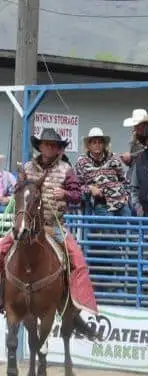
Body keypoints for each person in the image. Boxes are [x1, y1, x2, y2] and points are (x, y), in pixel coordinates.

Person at [0, 128, 98, 317]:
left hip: (54, 226)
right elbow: (18, 190)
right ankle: (4, 296)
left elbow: (78, 195)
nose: (49, 148)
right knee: (1, 251)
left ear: (58, 149)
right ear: (40, 146)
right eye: (46, 144)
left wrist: (66, 194)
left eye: (53, 145)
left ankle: (73, 304)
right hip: (26, 226)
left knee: (78, 262)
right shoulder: (27, 168)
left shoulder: (66, 170)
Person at [75, 127, 131, 217]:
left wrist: (126, 196)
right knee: (109, 230)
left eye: (100, 142)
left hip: (121, 202)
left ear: (104, 144)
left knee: (129, 228)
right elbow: (77, 186)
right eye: (94, 142)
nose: (97, 145)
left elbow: (124, 179)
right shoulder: (82, 161)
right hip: (101, 203)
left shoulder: (114, 158)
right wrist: (90, 188)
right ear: (89, 145)